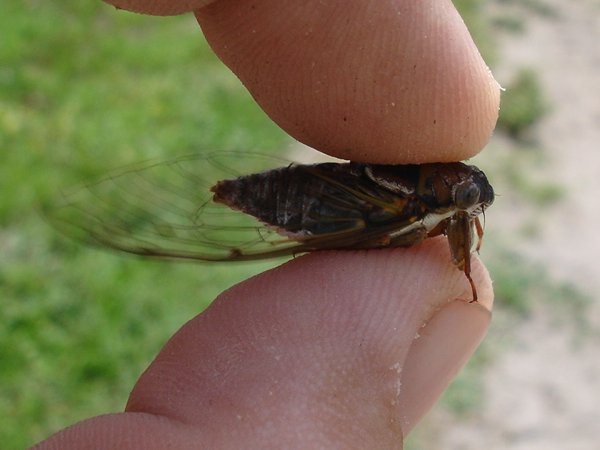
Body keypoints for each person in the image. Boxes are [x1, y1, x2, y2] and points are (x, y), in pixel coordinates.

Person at [33, 0, 499, 448]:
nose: (469, 214)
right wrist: (462, 275)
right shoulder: (414, 213)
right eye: (462, 199)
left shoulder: (440, 214)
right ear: (442, 198)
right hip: (335, 208)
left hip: (352, 197)